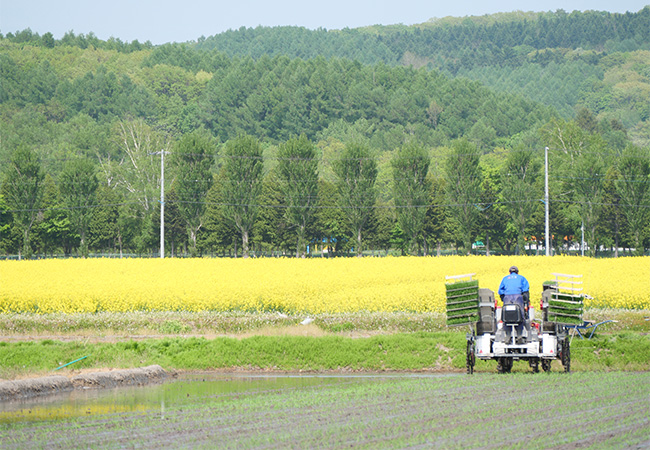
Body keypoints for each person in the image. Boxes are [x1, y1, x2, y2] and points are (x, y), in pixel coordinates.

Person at [498, 266, 530, 335]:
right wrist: (525, 301)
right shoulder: (521, 278)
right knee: (520, 315)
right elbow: (525, 290)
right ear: (517, 272)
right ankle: (519, 335)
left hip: (507, 297)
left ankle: (508, 336)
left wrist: (504, 299)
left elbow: (500, 291)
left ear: (509, 272)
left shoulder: (505, 278)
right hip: (518, 297)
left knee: (506, 315)